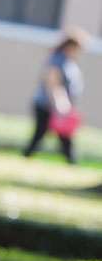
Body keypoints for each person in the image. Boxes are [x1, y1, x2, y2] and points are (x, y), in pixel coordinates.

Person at [23, 27, 89, 164]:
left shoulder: (69, 62)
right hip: (47, 105)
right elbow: (53, 84)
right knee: (41, 133)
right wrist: (60, 105)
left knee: (63, 136)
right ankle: (27, 156)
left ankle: (70, 161)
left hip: (61, 106)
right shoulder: (57, 60)